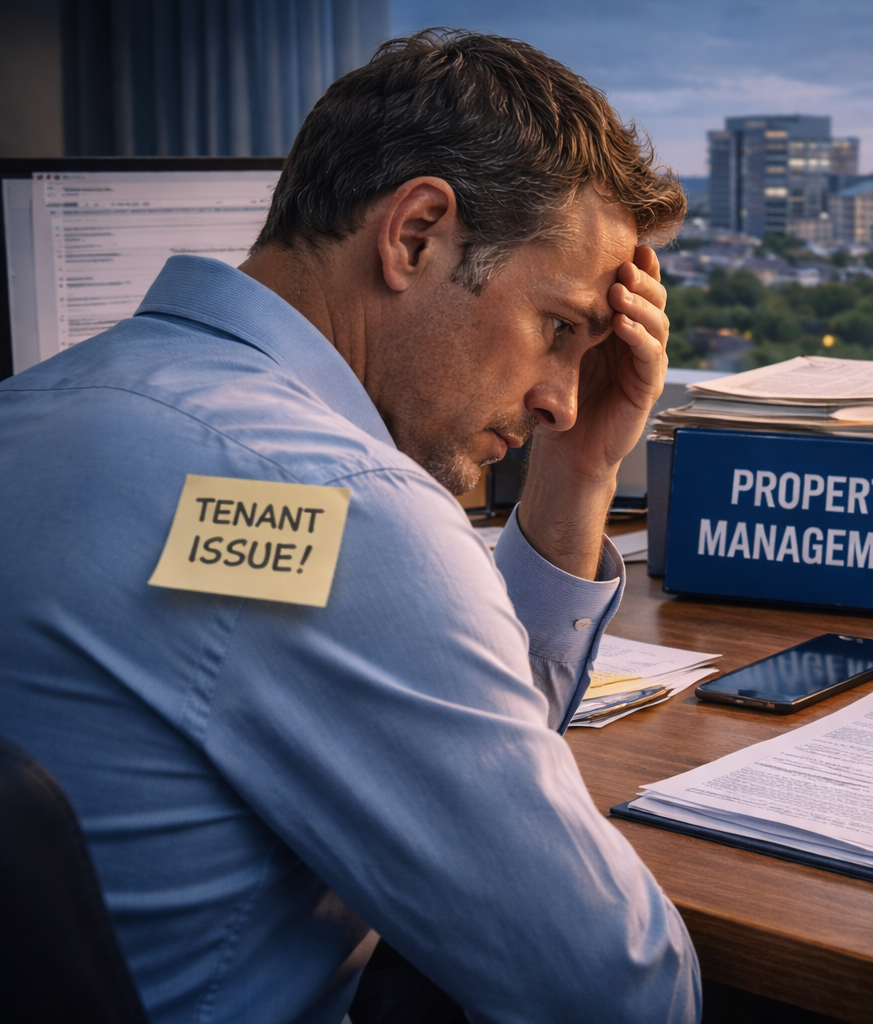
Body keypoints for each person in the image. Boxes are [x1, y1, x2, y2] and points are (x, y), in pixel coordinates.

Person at [0, 30, 699, 1024]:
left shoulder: (30, 412)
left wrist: (578, 471)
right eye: (558, 329)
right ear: (415, 234)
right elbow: (619, 992)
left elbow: (453, 743)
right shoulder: (343, 510)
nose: (563, 400)